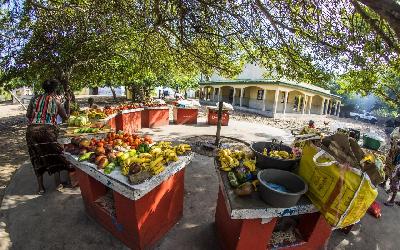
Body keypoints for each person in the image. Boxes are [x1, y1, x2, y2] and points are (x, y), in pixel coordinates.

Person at [26, 79, 72, 194]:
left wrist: (39, 116)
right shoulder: (56, 101)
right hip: (47, 131)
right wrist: (69, 103)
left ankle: (41, 188)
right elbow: (66, 117)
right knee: (54, 155)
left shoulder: (34, 99)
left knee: (36, 157)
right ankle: (58, 184)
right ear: (55, 89)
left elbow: (28, 115)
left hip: (31, 131)